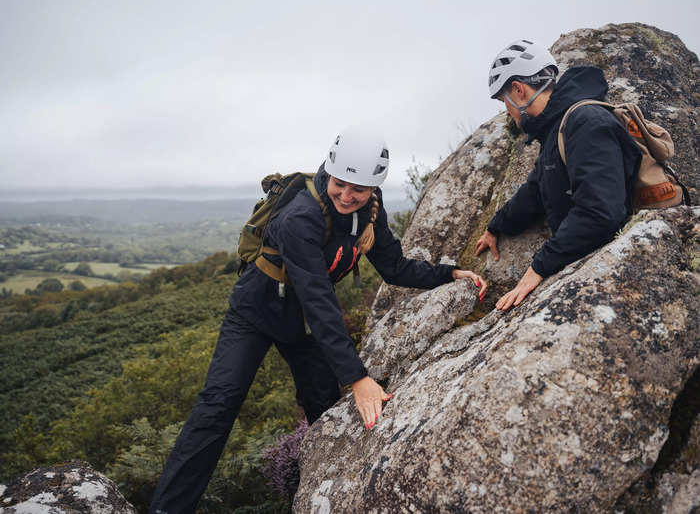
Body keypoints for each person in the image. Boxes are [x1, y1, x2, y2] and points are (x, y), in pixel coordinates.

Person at [150, 127, 488, 513]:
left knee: (325, 405)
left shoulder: (369, 212)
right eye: (340, 184)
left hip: (299, 324)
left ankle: (313, 491)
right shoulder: (301, 217)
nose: (346, 196)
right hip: (255, 313)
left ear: (373, 187)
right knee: (218, 406)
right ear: (330, 170)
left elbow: (394, 267)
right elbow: (319, 301)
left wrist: (449, 273)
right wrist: (359, 379)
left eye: (357, 190)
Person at [475, 40, 641, 310]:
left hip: (619, 273)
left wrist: (538, 269)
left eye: (502, 101)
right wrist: (496, 226)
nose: (505, 111)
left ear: (517, 90)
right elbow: (536, 190)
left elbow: (600, 212)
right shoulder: (557, 127)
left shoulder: (586, 122)